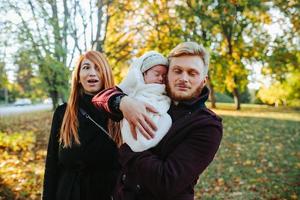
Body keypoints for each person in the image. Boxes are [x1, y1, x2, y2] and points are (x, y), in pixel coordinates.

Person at [92, 41, 223, 200]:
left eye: (192, 73)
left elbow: (166, 182)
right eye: (177, 71)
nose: (183, 78)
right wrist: (123, 102)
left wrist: (126, 148)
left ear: (204, 80)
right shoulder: (154, 96)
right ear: (168, 74)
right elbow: (99, 99)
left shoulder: (207, 125)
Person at [42, 51, 121, 200]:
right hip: (68, 193)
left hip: (106, 193)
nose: (92, 73)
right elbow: (52, 166)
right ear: (78, 77)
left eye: (98, 68)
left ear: (106, 74)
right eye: (86, 67)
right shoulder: (62, 113)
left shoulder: (119, 112)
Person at [115, 51, 171, 152]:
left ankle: (146, 141)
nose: (160, 78)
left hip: (153, 130)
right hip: (133, 125)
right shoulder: (135, 89)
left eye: (164, 76)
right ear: (144, 73)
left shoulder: (166, 92)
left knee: (167, 119)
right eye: (157, 74)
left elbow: (163, 101)